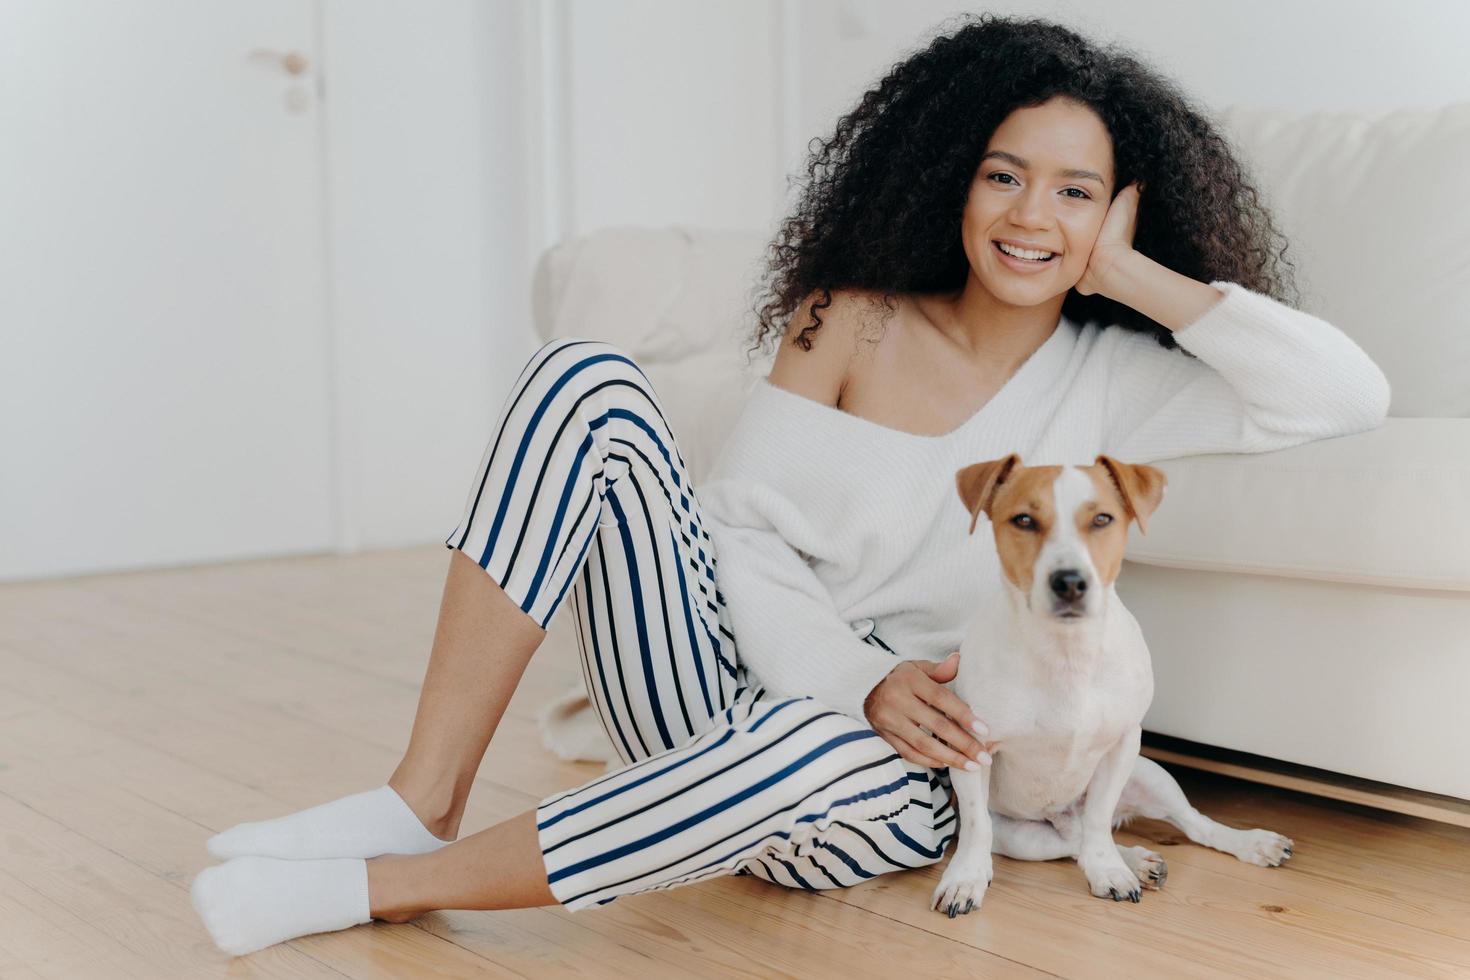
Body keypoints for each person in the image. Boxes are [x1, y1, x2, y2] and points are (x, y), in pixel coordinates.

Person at [191, 13, 1390, 956]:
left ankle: (381, 888)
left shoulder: (1119, 378)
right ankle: (421, 798)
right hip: (736, 682)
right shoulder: (848, 315)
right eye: (1003, 176)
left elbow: (1346, 396)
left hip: (903, 768)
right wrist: (850, 674)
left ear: (1120, 209)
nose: (1033, 217)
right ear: (948, 180)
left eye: (1076, 192)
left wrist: (1131, 276)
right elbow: (741, 534)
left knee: (804, 752)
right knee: (586, 380)